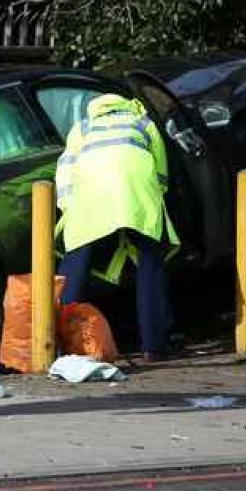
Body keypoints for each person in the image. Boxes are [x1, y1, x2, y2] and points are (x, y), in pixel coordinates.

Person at [54, 93, 178, 362]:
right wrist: (150, 200)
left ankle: (59, 344)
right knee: (150, 265)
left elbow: (64, 169)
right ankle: (154, 346)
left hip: (91, 196)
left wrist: (67, 206)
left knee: (76, 262)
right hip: (137, 196)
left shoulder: (83, 128)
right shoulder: (143, 123)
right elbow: (161, 175)